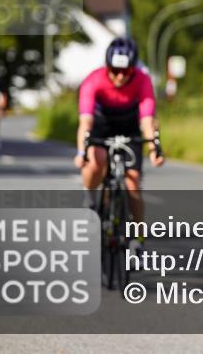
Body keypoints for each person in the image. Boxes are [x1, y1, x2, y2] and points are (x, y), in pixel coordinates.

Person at [74, 37, 165, 250]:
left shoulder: (142, 80)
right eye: (115, 70)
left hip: (130, 126)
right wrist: (81, 152)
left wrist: (154, 149)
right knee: (96, 161)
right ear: (108, 67)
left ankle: (138, 241)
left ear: (134, 68)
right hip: (101, 125)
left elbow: (147, 120)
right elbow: (85, 122)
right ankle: (89, 199)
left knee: (133, 182)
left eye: (126, 71)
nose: (121, 76)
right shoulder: (93, 80)